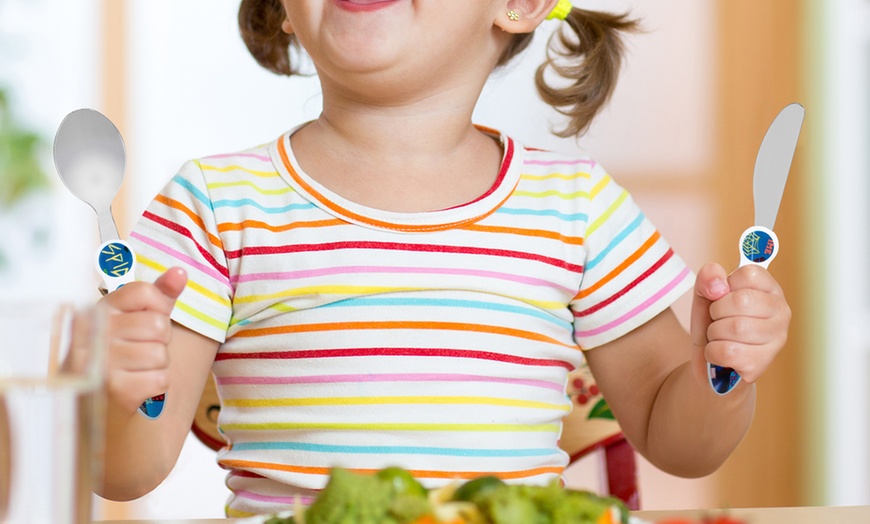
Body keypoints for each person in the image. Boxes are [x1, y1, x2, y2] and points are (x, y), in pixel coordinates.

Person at [96, 0, 791, 518]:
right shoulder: (216, 203)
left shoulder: (577, 204)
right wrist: (118, 388)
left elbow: (684, 446)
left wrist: (721, 369)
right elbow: (124, 472)